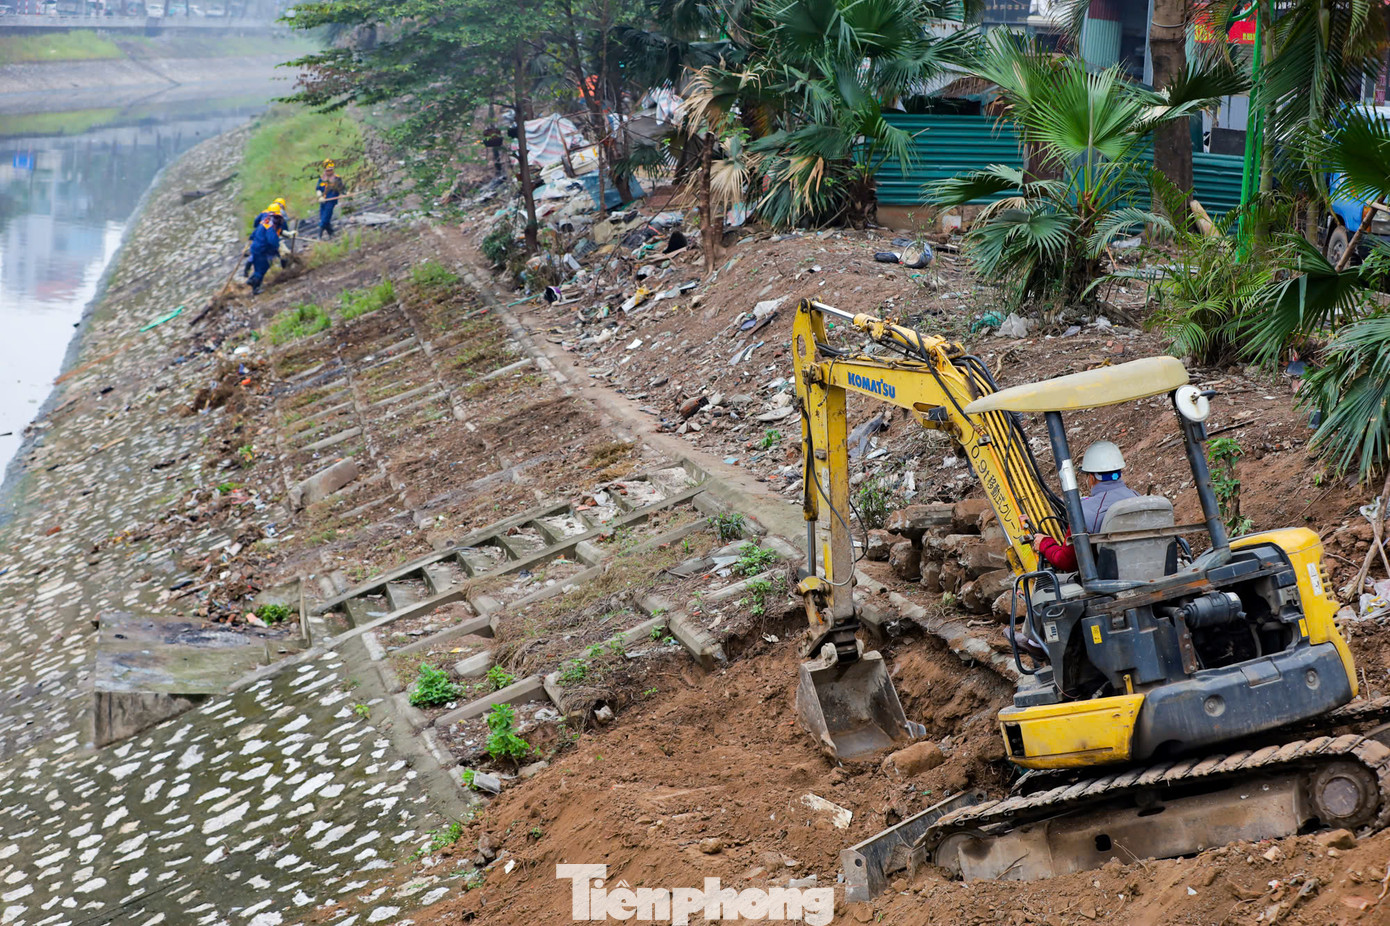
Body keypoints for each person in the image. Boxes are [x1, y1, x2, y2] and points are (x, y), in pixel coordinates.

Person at [1029, 440, 1138, 572]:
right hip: (1151, 570)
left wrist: (1045, 544)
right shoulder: (1138, 498)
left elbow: (1067, 562)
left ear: (1091, 478)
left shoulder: (1083, 512)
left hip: (1111, 579)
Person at [247, 213, 280, 296]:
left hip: (255, 249)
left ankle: (251, 280)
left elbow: (253, 235)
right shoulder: (270, 228)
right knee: (261, 269)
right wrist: (276, 248)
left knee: (258, 267)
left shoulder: (263, 224)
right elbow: (272, 241)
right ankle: (255, 288)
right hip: (261, 251)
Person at [316, 160, 346, 238]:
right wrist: (319, 196)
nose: (329, 172)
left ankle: (319, 235)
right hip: (323, 201)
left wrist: (344, 193)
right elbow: (318, 188)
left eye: (331, 170)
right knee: (323, 216)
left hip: (331, 200)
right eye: (327, 170)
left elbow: (341, 188)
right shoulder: (322, 178)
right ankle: (331, 233)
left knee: (325, 217)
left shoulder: (337, 178)